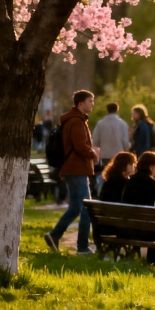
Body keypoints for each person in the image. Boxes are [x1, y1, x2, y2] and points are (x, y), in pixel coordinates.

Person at [45, 90, 99, 256]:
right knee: (86, 209)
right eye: (90, 101)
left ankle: (54, 235)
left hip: (72, 169)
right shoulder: (76, 121)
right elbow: (80, 146)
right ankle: (82, 247)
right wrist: (93, 153)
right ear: (81, 103)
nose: (92, 104)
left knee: (75, 207)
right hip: (76, 169)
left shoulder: (74, 119)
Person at [122, 151, 155, 265]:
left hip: (129, 229)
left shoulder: (130, 182)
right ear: (151, 167)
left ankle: (152, 264)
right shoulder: (153, 186)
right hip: (147, 231)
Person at [92, 102, 130, 192]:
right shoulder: (122, 124)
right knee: (120, 175)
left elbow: (95, 140)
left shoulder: (100, 124)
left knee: (106, 175)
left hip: (105, 154)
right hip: (119, 154)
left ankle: (105, 192)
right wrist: (127, 152)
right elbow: (125, 141)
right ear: (117, 110)